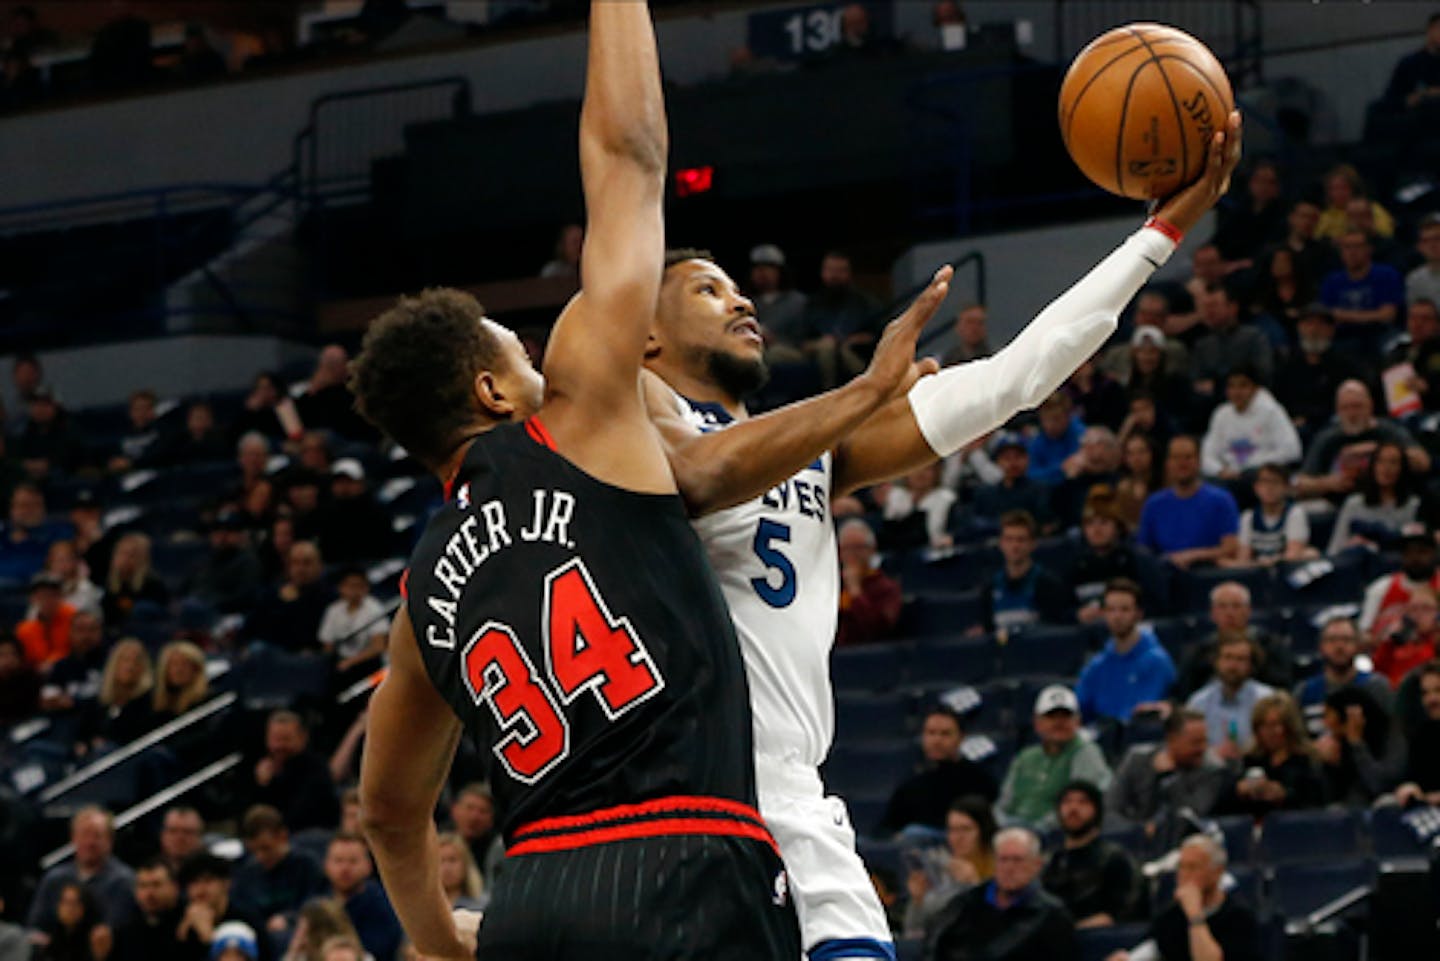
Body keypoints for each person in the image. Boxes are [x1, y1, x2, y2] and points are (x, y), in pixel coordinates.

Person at [353, 7, 807, 958]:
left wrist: (439, 943)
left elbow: (389, 814)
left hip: (534, 901)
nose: (539, 366)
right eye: (520, 357)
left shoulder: (420, 590)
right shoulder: (579, 423)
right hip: (683, 861)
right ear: (490, 391)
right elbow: (631, 157)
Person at [924, 828, 1076, 961]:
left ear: (1036, 866)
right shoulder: (967, 902)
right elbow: (935, 940)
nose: (1009, 868)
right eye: (1003, 860)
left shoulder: (1052, 915)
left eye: (1018, 860)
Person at [1106, 834, 1261, 961]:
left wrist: (1195, 915)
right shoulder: (1169, 917)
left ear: (1217, 872)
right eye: (1181, 867)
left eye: (1193, 867)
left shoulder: (1239, 917)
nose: (1184, 875)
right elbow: (1152, 949)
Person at [1107, 710, 1232, 845]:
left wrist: (1170, 777)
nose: (1202, 748)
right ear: (1172, 740)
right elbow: (1111, 805)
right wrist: (1138, 830)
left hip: (1182, 844)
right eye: (1196, 742)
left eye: (1205, 741)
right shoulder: (1137, 759)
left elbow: (1189, 816)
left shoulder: (1213, 769)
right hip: (1131, 839)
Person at [997, 685, 1112, 829]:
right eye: (1051, 717)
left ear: (1077, 722)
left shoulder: (1086, 752)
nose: (1059, 723)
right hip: (1013, 829)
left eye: (1066, 717)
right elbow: (1004, 803)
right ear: (1037, 723)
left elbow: (1078, 807)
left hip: (1053, 832)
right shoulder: (1025, 757)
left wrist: (1035, 828)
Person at [880, 708, 999, 834]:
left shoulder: (980, 780)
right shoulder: (910, 783)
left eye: (945, 734)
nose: (937, 741)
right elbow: (888, 826)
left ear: (961, 738)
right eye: (931, 733)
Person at [1041, 781, 1141, 929]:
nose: (1073, 808)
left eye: (1083, 802)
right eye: (1067, 802)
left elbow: (1119, 913)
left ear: (1097, 810)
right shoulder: (1051, 861)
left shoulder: (1115, 859)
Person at [1075, 579, 1176, 724]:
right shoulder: (1096, 665)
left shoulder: (1156, 662)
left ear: (1139, 614)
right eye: (1111, 610)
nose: (1117, 616)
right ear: (1103, 614)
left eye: (1125, 610)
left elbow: (1142, 715)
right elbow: (1080, 709)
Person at [1137, 436, 1240, 569]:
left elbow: (1230, 549)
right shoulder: (1153, 504)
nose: (1182, 463)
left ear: (1199, 461)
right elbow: (1143, 551)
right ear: (1167, 463)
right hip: (1166, 577)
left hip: (1209, 574)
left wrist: (1192, 556)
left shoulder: (1221, 500)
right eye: (1176, 457)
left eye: (1188, 457)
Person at [1177, 582, 1294, 698]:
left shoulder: (1271, 646)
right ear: (1213, 613)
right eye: (1222, 606)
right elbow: (1185, 693)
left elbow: (1283, 690)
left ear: (1248, 611)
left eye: (1236, 606)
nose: (1230, 613)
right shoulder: (1199, 652)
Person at [902, 796, 996, 939]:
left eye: (965, 829)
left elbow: (996, 926)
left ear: (983, 831)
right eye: (952, 830)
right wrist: (917, 901)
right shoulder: (938, 869)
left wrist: (974, 884)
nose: (957, 837)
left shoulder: (1002, 867)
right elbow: (912, 932)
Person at [27, 807, 136, 929]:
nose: (90, 842)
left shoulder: (124, 881)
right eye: (85, 834)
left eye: (97, 835)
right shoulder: (54, 878)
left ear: (110, 840)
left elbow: (117, 928)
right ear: (73, 838)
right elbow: (35, 926)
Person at [1220, 692, 1324, 818]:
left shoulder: (1307, 761)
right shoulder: (1251, 760)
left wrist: (1283, 796)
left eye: (1281, 724)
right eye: (1269, 726)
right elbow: (1221, 807)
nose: (1277, 731)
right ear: (1258, 729)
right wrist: (1240, 791)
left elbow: (1318, 805)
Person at [232, 806, 324, 938]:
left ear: (283, 836)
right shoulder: (248, 873)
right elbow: (244, 912)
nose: (260, 856)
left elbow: (317, 903)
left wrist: (290, 919)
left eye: (266, 848)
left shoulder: (306, 865)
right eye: (254, 850)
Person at [1274, 305, 1365, 438]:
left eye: (1321, 325)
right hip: (1294, 426)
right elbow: (1278, 400)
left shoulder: (1346, 364)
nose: (1314, 330)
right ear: (1299, 328)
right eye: (1309, 324)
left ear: (1331, 330)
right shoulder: (1286, 364)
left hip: (1335, 426)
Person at [976, 511, 1074, 634]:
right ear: (1001, 544)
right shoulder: (989, 589)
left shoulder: (1049, 585)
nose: (1015, 546)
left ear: (1032, 544)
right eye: (1009, 539)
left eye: (1021, 540)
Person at [243, 711, 339, 833]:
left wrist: (269, 786)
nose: (279, 746)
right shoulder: (258, 766)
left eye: (286, 739)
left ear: (303, 738)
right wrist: (262, 784)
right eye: (276, 739)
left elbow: (299, 816)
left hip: (309, 835)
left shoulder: (316, 769)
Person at [1199, 365, 1300, 480]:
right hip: (1228, 475)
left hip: (1259, 476)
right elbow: (1207, 454)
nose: (1236, 392)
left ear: (1255, 388)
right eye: (1231, 386)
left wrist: (1251, 468)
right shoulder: (1221, 414)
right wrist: (1220, 470)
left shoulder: (1271, 411)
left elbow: (1292, 450)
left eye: (1243, 386)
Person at [1293, 616, 1395, 729]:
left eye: (1346, 640)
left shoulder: (1376, 687)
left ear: (1358, 645)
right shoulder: (1304, 691)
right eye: (1332, 640)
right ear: (1321, 646)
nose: (1339, 646)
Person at [802, 250, 882, 388]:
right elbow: (802, 338)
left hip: (855, 353)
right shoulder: (812, 304)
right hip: (819, 350)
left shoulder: (865, 302)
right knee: (827, 348)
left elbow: (878, 334)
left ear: (849, 273)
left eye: (840, 271)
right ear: (823, 273)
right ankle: (828, 393)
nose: (835, 275)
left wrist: (855, 339)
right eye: (830, 270)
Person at [1184, 636, 1275, 756]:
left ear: (1251, 665)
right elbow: (1189, 746)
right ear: (1216, 661)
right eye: (1227, 657)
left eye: (1240, 659)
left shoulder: (1267, 699)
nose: (1233, 665)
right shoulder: (1198, 702)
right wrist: (1214, 754)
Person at [1322, 229, 1406, 358]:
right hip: (1343, 337)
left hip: (1380, 334)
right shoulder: (1332, 280)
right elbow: (1328, 316)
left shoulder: (1386, 274)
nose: (1352, 252)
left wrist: (1344, 315)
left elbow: (1387, 315)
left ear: (1369, 249)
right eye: (1347, 247)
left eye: (1357, 246)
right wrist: (1370, 315)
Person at [1326, 440, 1421, 554]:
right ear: (1373, 466)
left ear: (1402, 468)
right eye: (1380, 461)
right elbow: (1335, 548)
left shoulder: (1414, 505)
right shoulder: (1354, 503)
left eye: (1393, 462)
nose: (1386, 468)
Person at [175, 853, 272, 961]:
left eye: (208, 881)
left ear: (226, 883)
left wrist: (209, 938)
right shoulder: (182, 922)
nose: (200, 889)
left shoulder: (247, 920)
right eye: (194, 883)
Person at [1314, 685, 1400, 806]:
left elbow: (1378, 785)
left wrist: (1357, 743)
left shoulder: (1391, 737)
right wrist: (1330, 765)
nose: (1325, 722)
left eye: (1327, 715)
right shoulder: (1334, 744)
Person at [1066, 488, 1144, 621]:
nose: (1096, 530)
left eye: (1104, 522)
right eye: (1090, 523)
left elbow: (1152, 606)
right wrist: (1077, 615)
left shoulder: (1134, 562)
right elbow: (1060, 609)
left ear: (1117, 527)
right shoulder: (1074, 566)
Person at [322, 833, 402, 961]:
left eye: (353, 861)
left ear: (368, 866)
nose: (345, 868)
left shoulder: (385, 905)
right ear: (326, 865)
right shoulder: (318, 904)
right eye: (338, 861)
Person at [244, 541, 332, 652]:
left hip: (303, 656)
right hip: (267, 650)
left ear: (319, 566)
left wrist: (293, 603)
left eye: (307, 563)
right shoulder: (275, 591)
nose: (300, 569)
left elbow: (307, 634)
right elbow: (253, 625)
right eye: (295, 563)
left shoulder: (328, 596)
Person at [1188, 285, 1273, 396]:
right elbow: (1195, 382)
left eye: (1214, 305)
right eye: (1206, 306)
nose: (1209, 311)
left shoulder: (1254, 337)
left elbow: (1264, 374)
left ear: (1233, 307)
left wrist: (1219, 385)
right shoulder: (1202, 344)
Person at [1360, 525, 1440, 640]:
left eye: (1422, 551)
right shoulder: (1382, 587)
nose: (1415, 557)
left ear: (1434, 553)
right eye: (1409, 552)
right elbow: (1364, 632)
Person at [836, 519, 904, 646]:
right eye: (847, 548)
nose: (853, 554)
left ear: (872, 550)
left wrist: (855, 591)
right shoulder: (831, 586)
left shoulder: (887, 587)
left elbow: (877, 629)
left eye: (859, 548)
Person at [186, 511, 264, 614]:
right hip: (197, 612)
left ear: (241, 535)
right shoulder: (206, 560)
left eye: (229, 530)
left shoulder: (248, 562)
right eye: (217, 530)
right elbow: (187, 587)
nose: (222, 536)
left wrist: (209, 603)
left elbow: (245, 597)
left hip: (227, 615)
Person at [315, 459, 392, 563]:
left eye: (349, 481)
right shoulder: (325, 514)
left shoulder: (376, 512)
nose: (344, 487)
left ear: (361, 484)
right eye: (339, 482)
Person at [317, 568, 388, 679]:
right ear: (341, 588)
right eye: (350, 586)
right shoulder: (333, 610)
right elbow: (327, 644)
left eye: (359, 586)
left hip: (368, 664)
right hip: (341, 662)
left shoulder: (375, 608)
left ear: (366, 587)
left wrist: (350, 662)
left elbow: (378, 646)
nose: (354, 591)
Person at [1234, 464, 1311, 565]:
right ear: (1256, 487)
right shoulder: (1248, 516)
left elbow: (1293, 555)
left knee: (1310, 554)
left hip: (1285, 571)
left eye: (1275, 482)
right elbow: (1243, 558)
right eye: (1264, 482)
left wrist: (1266, 563)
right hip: (1257, 573)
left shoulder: (1295, 513)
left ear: (1286, 487)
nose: (1269, 487)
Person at [972, 433, 1052, 529]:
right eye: (1007, 458)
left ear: (1027, 459)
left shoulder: (1040, 490)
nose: (1013, 463)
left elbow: (1044, 524)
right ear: (998, 461)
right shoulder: (986, 494)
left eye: (1018, 457)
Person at [110, 858, 183, 961]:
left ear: (175, 888)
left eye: (156, 885)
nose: (149, 893)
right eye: (143, 886)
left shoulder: (188, 921)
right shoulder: (125, 927)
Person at [1051, 425, 1123, 530]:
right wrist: (1069, 478)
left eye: (1097, 445)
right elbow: (1059, 511)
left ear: (1112, 451)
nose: (1090, 452)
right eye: (1085, 446)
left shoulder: (1120, 481)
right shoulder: (1075, 481)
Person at [90, 639, 155, 749]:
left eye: (136, 662)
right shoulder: (100, 700)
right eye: (125, 660)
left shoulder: (150, 701)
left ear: (144, 667)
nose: (130, 667)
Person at [1393, 661, 1440, 808]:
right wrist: (1408, 788)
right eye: (1425, 693)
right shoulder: (1422, 734)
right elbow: (1411, 777)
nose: (1432, 699)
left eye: (1439, 690)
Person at [880, 461, 956, 551]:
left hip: (932, 553)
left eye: (927, 469)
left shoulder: (946, 498)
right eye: (915, 468)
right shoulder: (896, 496)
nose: (920, 473)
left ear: (937, 472)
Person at [1372, 586, 1440, 686]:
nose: (1418, 614)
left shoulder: (1435, 645)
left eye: (1426, 608)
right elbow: (1378, 671)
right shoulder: (1398, 647)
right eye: (1413, 609)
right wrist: (1390, 643)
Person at [101, 533, 170, 632]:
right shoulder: (109, 584)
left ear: (142, 559)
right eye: (121, 553)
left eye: (131, 555)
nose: (124, 559)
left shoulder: (152, 585)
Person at [1316, 165, 1395, 241]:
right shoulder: (1325, 216)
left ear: (1353, 189)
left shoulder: (1371, 208)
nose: (1339, 193)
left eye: (1344, 188)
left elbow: (1386, 233)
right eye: (1334, 188)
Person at [446, 783, 503, 885]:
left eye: (483, 811)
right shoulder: (436, 841)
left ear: (492, 819)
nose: (474, 817)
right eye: (469, 808)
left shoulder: (499, 849)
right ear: (454, 810)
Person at [17, 571, 76, 668]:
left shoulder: (73, 617)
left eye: (53, 595)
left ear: (61, 596)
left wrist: (53, 661)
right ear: (33, 598)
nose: (48, 600)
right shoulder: (24, 630)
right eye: (43, 595)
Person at [34, 881, 105, 961]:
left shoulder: (95, 938)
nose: (68, 909)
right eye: (65, 901)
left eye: (74, 903)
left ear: (85, 907)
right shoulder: (50, 934)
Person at [1026, 392, 1084, 486]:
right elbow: (1031, 475)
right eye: (1045, 419)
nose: (1050, 425)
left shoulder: (1080, 435)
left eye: (1056, 419)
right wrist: (1060, 469)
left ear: (1068, 416)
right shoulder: (1037, 441)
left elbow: (1075, 469)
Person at [150, 641, 208, 722]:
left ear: (196, 669)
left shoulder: (209, 703)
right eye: (174, 664)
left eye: (184, 664)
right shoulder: (152, 703)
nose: (178, 670)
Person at [436, 833, 487, 911]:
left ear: (465, 864)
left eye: (452, 860)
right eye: (441, 861)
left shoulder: (482, 905)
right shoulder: (425, 908)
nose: (447, 868)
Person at [0, 633, 39, 725]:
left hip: (23, 727)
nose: (8, 659)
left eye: (13, 654)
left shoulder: (30, 678)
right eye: (2, 655)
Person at [156, 807, 206, 878]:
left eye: (187, 832)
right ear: (162, 835)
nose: (180, 838)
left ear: (200, 836)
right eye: (173, 831)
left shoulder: (215, 873)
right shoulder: (148, 873)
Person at [1408, 214, 1440, 306]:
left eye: (1437, 239)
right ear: (1419, 247)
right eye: (1426, 241)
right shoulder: (1414, 280)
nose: (1432, 245)